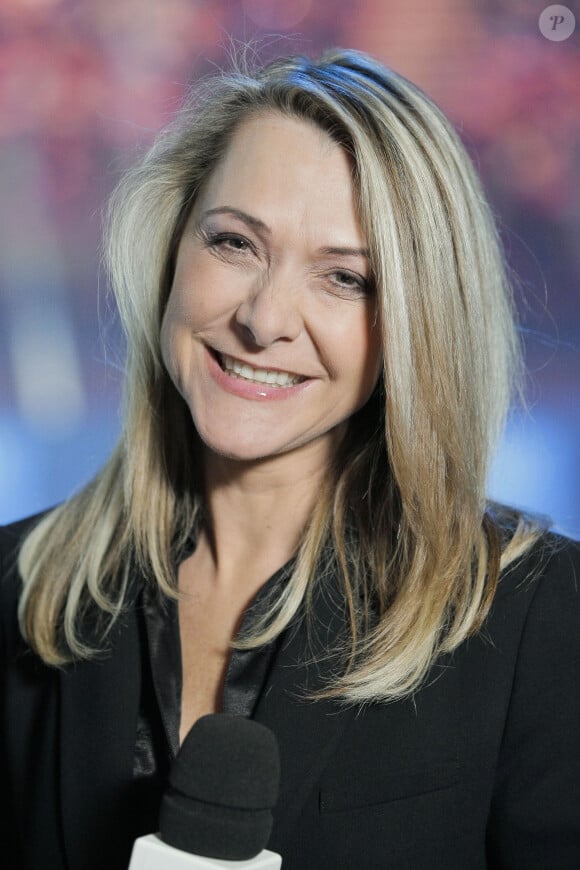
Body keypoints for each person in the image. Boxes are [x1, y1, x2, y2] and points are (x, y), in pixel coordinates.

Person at [1, 48, 579, 870]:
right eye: (235, 242)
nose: (265, 318)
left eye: (344, 278)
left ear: (417, 322)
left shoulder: (539, 617)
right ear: (172, 251)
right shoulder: (14, 587)